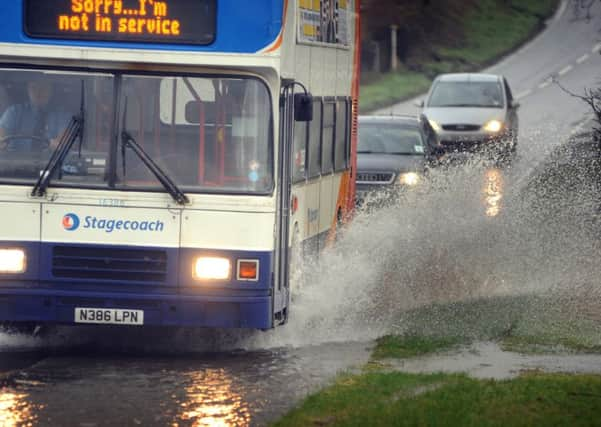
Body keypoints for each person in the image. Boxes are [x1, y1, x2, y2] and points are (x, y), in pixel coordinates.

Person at [0, 79, 71, 152]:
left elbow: (63, 140)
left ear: (51, 90)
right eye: (34, 87)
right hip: (14, 161)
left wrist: (57, 144)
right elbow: (1, 135)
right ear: (28, 90)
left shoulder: (62, 115)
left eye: (43, 88)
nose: (38, 92)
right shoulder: (14, 112)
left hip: (52, 161)